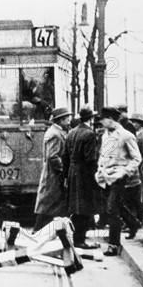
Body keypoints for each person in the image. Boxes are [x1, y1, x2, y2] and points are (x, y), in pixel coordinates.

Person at [95, 107, 142, 256]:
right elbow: (104, 155)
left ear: (110, 119)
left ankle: (114, 244)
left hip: (119, 176)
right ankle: (133, 224)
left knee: (111, 208)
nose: (101, 123)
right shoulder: (106, 135)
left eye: (103, 120)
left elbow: (137, 158)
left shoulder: (126, 135)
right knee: (117, 204)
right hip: (105, 176)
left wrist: (125, 172)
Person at [62, 106, 100, 248]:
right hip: (84, 172)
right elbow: (90, 159)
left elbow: (64, 156)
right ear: (90, 118)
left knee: (76, 206)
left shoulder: (71, 133)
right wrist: (95, 177)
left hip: (73, 171)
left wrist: (66, 176)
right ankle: (80, 240)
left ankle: (76, 237)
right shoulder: (89, 134)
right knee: (85, 205)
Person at [33, 107, 72, 233]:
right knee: (48, 205)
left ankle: (52, 232)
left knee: (53, 206)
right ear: (60, 120)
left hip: (54, 176)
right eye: (67, 119)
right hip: (53, 176)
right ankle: (37, 231)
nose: (69, 122)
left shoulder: (56, 132)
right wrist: (65, 170)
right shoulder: (55, 134)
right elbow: (53, 156)